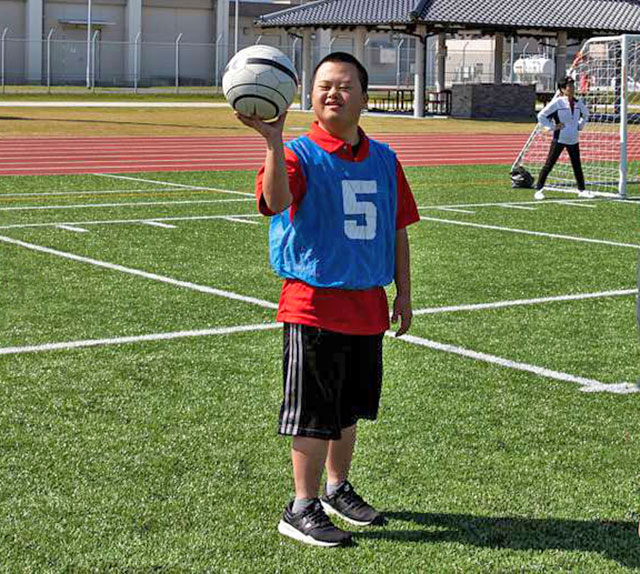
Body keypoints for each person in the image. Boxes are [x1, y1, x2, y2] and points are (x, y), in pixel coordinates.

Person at [235, 52, 420, 547]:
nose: (333, 93)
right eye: (323, 86)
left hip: (367, 305)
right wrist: (273, 142)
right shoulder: (297, 153)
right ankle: (300, 506)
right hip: (313, 304)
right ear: (310, 97)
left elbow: (398, 227)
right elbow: (273, 203)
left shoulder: (384, 157)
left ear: (364, 96)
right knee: (314, 413)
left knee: (346, 410)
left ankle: (336, 488)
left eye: (343, 85)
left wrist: (403, 291)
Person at [534, 76, 592, 200]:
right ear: (562, 89)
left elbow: (586, 114)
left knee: (577, 165)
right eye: (568, 86)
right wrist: (553, 127)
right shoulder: (557, 102)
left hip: (573, 139)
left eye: (572, 85)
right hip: (559, 139)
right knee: (549, 164)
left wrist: (580, 125)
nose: (571, 88)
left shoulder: (578, 102)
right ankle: (539, 190)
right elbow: (541, 116)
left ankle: (582, 190)